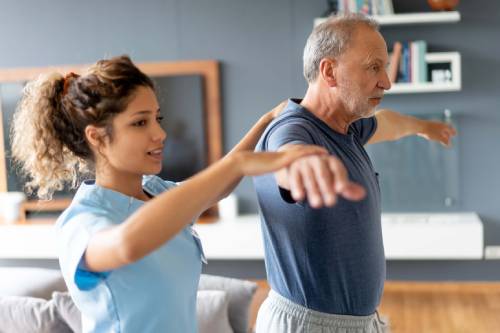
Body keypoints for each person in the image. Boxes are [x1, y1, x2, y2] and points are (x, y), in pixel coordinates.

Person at [10, 55, 363, 333]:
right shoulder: (83, 222)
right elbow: (126, 245)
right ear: (97, 137)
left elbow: (213, 189)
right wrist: (238, 166)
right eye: (140, 122)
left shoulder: (157, 194)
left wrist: (268, 120)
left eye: (157, 118)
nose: (159, 134)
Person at [253, 13, 457, 333]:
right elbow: (287, 156)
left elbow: (388, 122)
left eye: (385, 67)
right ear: (330, 71)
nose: (386, 82)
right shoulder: (292, 129)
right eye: (374, 67)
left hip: (356, 322)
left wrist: (424, 128)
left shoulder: (345, 127)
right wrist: (306, 168)